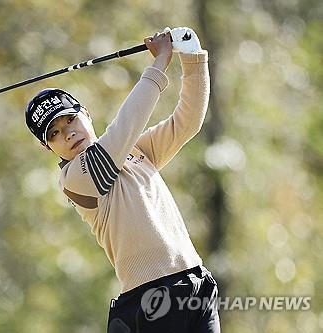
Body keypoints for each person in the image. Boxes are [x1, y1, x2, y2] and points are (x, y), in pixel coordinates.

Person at [25, 27, 220, 332]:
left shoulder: (136, 151)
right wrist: (159, 63)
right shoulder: (74, 180)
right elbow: (124, 127)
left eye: (71, 120)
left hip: (196, 284)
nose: (68, 134)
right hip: (152, 300)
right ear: (47, 147)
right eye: (54, 134)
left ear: (85, 113)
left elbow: (187, 122)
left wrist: (192, 57)